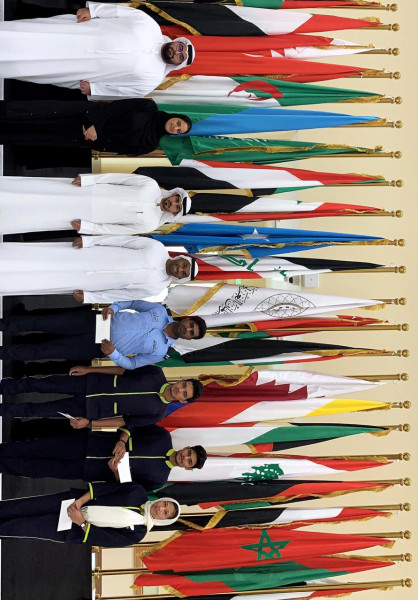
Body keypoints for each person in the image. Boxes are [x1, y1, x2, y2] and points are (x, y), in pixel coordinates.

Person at [0, 2, 195, 100]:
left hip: (81, 67)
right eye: (180, 48)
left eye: (181, 57)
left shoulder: (151, 80)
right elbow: (119, 12)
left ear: (177, 64)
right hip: (79, 34)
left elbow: (122, 91)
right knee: (35, 34)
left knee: (37, 66)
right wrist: (93, 11)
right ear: (177, 41)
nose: (177, 53)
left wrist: (95, 90)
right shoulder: (149, 25)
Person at [0, 301, 208, 367]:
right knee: (43, 323)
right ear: (187, 319)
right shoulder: (160, 311)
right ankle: (3, 324)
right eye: (191, 325)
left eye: (191, 333)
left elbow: (133, 364)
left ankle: (4, 353)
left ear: (188, 339)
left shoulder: (162, 352)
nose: (188, 329)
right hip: (96, 321)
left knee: (44, 351)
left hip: (97, 346)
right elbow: (132, 303)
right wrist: (114, 308)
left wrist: (114, 354)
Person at [0, 424, 208, 489]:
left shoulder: (159, 480)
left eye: (189, 461)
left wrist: (116, 473)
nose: (185, 457)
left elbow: (127, 487)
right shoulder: (162, 436)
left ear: (187, 468)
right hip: (90, 444)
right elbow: (132, 425)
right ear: (186, 447)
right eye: (188, 453)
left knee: (40, 470)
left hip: (91, 470)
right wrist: (122, 441)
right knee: (39, 447)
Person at [0, 364, 204, 428]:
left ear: (183, 400)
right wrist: (88, 369)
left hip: (89, 410)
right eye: (183, 385)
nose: (180, 390)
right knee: (39, 384)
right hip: (89, 382)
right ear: (181, 380)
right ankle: (4, 387)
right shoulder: (156, 373)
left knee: (38, 410)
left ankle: (4, 410)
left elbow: (122, 422)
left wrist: (89, 423)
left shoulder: (157, 414)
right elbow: (121, 370)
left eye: (184, 393)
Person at [0, 236, 198, 301]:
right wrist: (89, 241)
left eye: (183, 273)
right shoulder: (157, 248)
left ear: (181, 278)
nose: (180, 270)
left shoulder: (157, 288)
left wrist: (90, 297)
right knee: (45, 258)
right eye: (184, 265)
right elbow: (120, 241)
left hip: (92, 282)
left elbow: (122, 295)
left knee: (46, 281)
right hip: (89, 256)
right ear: (181, 258)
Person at [0, 481, 180, 547]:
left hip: (72, 528)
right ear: (161, 500)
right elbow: (107, 489)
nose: (161, 509)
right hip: (73, 502)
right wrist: (79, 502)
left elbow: (106, 539)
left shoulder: (138, 533)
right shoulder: (138, 492)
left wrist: (81, 522)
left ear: (163, 520)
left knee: (24, 527)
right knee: (25, 506)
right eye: (165, 504)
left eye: (165, 513)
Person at [0, 173, 192, 235]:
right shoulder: (150, 184)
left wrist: (87, 227)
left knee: (42, 217)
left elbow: (114, 230)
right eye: (177, 200)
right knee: (42, 193)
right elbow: (117, 178)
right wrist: (88, 180)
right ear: (175, 194)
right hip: (85, 191)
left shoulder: (151, 224)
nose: (173, 204)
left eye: (177, 207)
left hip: (89, 215)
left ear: (175, 214)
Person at [0, 98, 192, 154]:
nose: (175, 128)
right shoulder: (149, 107)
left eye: (178, 131)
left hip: (84, 136)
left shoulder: (150, 145)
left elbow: (116, 148)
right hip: (85, 116)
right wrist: (94, 124)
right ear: (175, 116)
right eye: (178, 123)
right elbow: (116, 107)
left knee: (37, 134)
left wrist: (93, 139)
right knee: (35, 113)